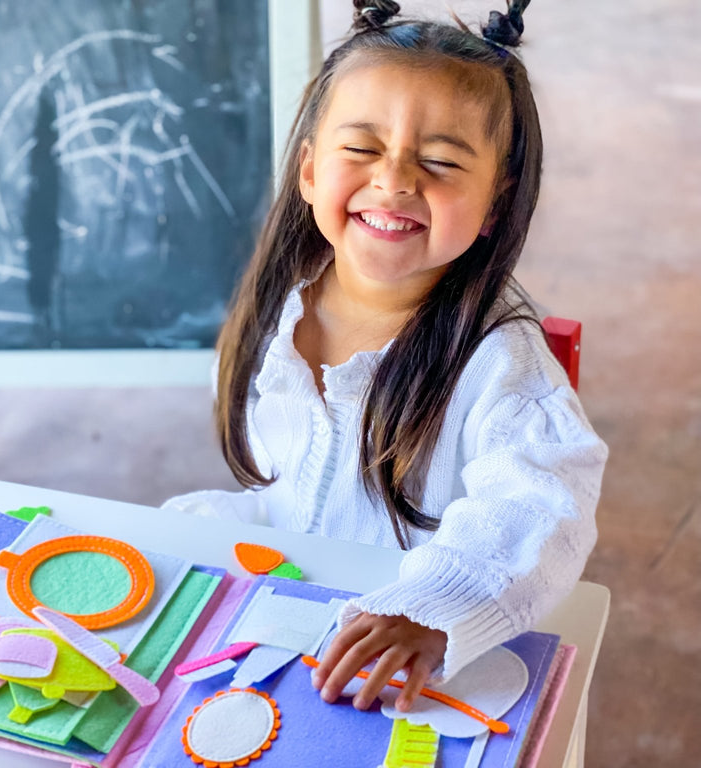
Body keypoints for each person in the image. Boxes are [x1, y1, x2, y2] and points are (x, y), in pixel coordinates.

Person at [162, 0, 608, 715]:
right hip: (286, 613)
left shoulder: (504, 365)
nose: (395, 179)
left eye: (438, 160)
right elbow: (288, 493)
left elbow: (539, 504)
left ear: (495, 205)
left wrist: (431, 610)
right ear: (309, 171)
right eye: (362, 149)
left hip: (399, 664)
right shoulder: (282, 305)